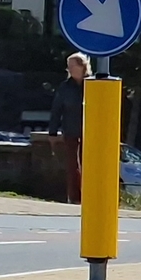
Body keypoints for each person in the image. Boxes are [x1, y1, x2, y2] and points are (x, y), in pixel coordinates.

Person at [51, 52, 90, 203]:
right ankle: (74, 198)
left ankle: (89, 196)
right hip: (71, 131)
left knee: (88, 164)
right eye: (69, 66)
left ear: (82, 66)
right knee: (73, 166)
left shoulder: (92, 84)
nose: (69, 69)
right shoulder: (65, 87)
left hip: (90, 132)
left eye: (72, 66)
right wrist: (52, 132)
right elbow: (56, 109)